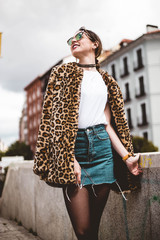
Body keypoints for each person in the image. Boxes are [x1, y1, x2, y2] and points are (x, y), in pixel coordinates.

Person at [33, 26, 142, 240]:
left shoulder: (107, 81)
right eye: (71, 39)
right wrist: (69, 159)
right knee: (82, 230)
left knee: (93, 228)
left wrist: (127, 157)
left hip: (102, 150)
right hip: (74, 149)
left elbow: (108, 124)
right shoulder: (62, 74)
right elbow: (55, 122)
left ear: (95, 44)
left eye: (80, 36)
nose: (74, 40)